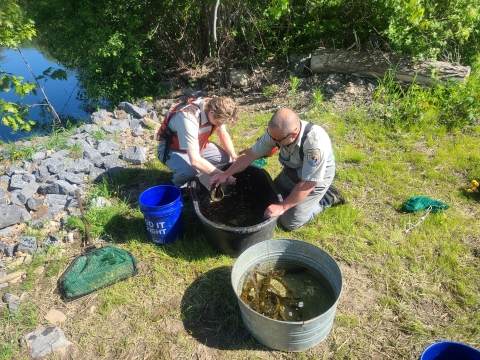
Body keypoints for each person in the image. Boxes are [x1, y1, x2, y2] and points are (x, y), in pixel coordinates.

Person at [210, 108, 344, 230]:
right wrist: (226, 174)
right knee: (266, 200)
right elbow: (249, 155)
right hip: (291, 173)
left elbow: (308, 182)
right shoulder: (277, 134)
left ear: (293, 134)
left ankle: (328, 198)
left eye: (277, 140)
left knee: (289, 221)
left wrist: (282, 207)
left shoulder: (315, 144)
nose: (273, 142)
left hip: (314, 180)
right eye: (271, 137)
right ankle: (290, 194)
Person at [157, 96, 238, 188]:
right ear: (212, 113)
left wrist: (233, 155)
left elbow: (223, 133)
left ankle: (209, 174)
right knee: (190, 172)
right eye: (219, 123)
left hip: (198, 146)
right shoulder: (187, 117)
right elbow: (195, 161)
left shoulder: (216, 106)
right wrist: (225, 175)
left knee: (226, 159)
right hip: (172, 149)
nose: (220, 125)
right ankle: (178, 186)